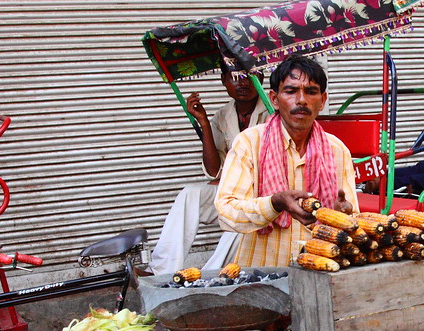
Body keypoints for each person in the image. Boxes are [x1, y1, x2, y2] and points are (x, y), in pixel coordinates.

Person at [216, 55, 358, 268]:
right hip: (263, 271)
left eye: (311, 92)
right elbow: (227, 212)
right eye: (291, 91)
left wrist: (343, 214)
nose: (301, 100)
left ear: (323, 100)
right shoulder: (249, 142)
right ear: (274, 99)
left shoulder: (337, 149)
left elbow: (352, 217)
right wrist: (274, 203)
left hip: (318, 270)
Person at [149, 70, 269, 275]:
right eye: (234, 77)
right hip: (234, 192)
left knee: (240, 215)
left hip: (262, 195)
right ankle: (161, 271)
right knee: (191, 193)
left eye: (249, 76)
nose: (242, 82)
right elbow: (215, 172)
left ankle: (207, 275)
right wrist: (204, 123)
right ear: (224, 80)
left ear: (261, 79)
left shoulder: (272, 112)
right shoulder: (223, 116)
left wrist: (231, 182)